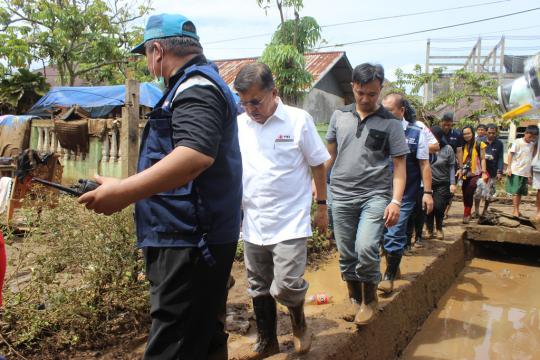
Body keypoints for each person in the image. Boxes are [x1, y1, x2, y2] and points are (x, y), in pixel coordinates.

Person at [79, 13, 242, 360]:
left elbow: (194, 155)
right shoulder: (191, 86)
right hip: (191, 237)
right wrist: (123, 184)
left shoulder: (195, 87)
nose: (148, 64)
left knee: (175, 342)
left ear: (156, 50)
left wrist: (123, 193)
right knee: (202, 335)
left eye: (146, 57)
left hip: (189, 242)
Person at [234, 63, 329, 358]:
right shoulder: (239, 126)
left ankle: (299, 324)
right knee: (258, 286)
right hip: (253, 221)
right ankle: (267, 341)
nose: (250, 108)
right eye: (244, 102)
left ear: (273, 93)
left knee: (286, 285)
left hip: (290, 220)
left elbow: (318, 163)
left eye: (256, 101)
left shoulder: (298, 121)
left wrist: (322, 206)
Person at [326, 63, 408, 325]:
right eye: (360, 92)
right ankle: (354, 298)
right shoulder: (339, 116)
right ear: (353, 87)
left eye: (372, 94)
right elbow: (329, 156)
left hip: (374, 195)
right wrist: (315, 188)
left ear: (380, 90)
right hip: (340, 194)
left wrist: (395, 201)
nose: (365, 99)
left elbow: (399, 167)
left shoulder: (391, 124)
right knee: (347, 251)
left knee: (366, 247)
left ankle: (370, 299)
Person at [379, 93, 433, 294]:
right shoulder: (378, 129)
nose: (385, 114)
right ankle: (394, 265)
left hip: (406, 194)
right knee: (383, 234)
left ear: (401, 111)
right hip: (380, 192)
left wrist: (427, 192)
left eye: (390, 111)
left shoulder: (416, 132)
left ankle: (389, 276)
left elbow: (424, 164)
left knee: (395, 232)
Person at [401, 100, 439, 252]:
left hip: (416, 179)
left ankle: (411, 240)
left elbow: (436, 146)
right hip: (394, 180)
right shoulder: (388, 126)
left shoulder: (419, 128)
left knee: (414, 211)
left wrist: (416, 147)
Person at [425, 126, 456, 239]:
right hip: (428, 183)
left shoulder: (448, 149)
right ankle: (429, 229)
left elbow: (452, 166)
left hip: (443, 182)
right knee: (428, 207)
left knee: (439, 206)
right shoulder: (426, 147)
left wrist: (452, 183)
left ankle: (438, 228)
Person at [506, 125, 539, 217]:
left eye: (534, 137)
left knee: (520, 192)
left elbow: (532, 158)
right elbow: (510, 154)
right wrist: (509, 167)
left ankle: (517, 209)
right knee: (516, 191)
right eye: (530, 136)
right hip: (516, 170)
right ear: (525, 133)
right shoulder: (517, 142)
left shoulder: (532, 145)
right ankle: (515, 210)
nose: (531, 138)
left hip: (525, 172)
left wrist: (530, 174)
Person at [474, 123, 504, 217]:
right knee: (478, 192)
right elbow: (475, 155)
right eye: (490, 132)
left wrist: (500, 171)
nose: (491, 135)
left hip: (492, 171)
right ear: (486, 132)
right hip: (480, 171)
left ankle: (484, 211)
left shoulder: (499, 143)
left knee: (489, 194)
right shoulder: (479, 141)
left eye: (493, 133)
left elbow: (500, 158)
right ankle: (476, 211)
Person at [459, 126, 488, 224]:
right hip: (465, 173)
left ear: (473, 133)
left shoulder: (480, 144)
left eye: (468, 133)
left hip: (476, 173)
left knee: (470, 191)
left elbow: (483, 158)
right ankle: (467, 212)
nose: (466, 135)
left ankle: (466, 214)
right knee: (464, 192)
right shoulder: (463, 145)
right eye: (464, 134)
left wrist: (484, 172)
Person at [440, 112, 463, 219]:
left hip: (452, 167)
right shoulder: (436, 132)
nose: (447, 127)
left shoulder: (457, 134)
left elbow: (459, 151)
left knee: (451, 191)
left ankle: (445, 212)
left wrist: (461, 168)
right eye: (445, 124)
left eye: (449, 125)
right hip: (437, 167)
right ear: (441, 123)